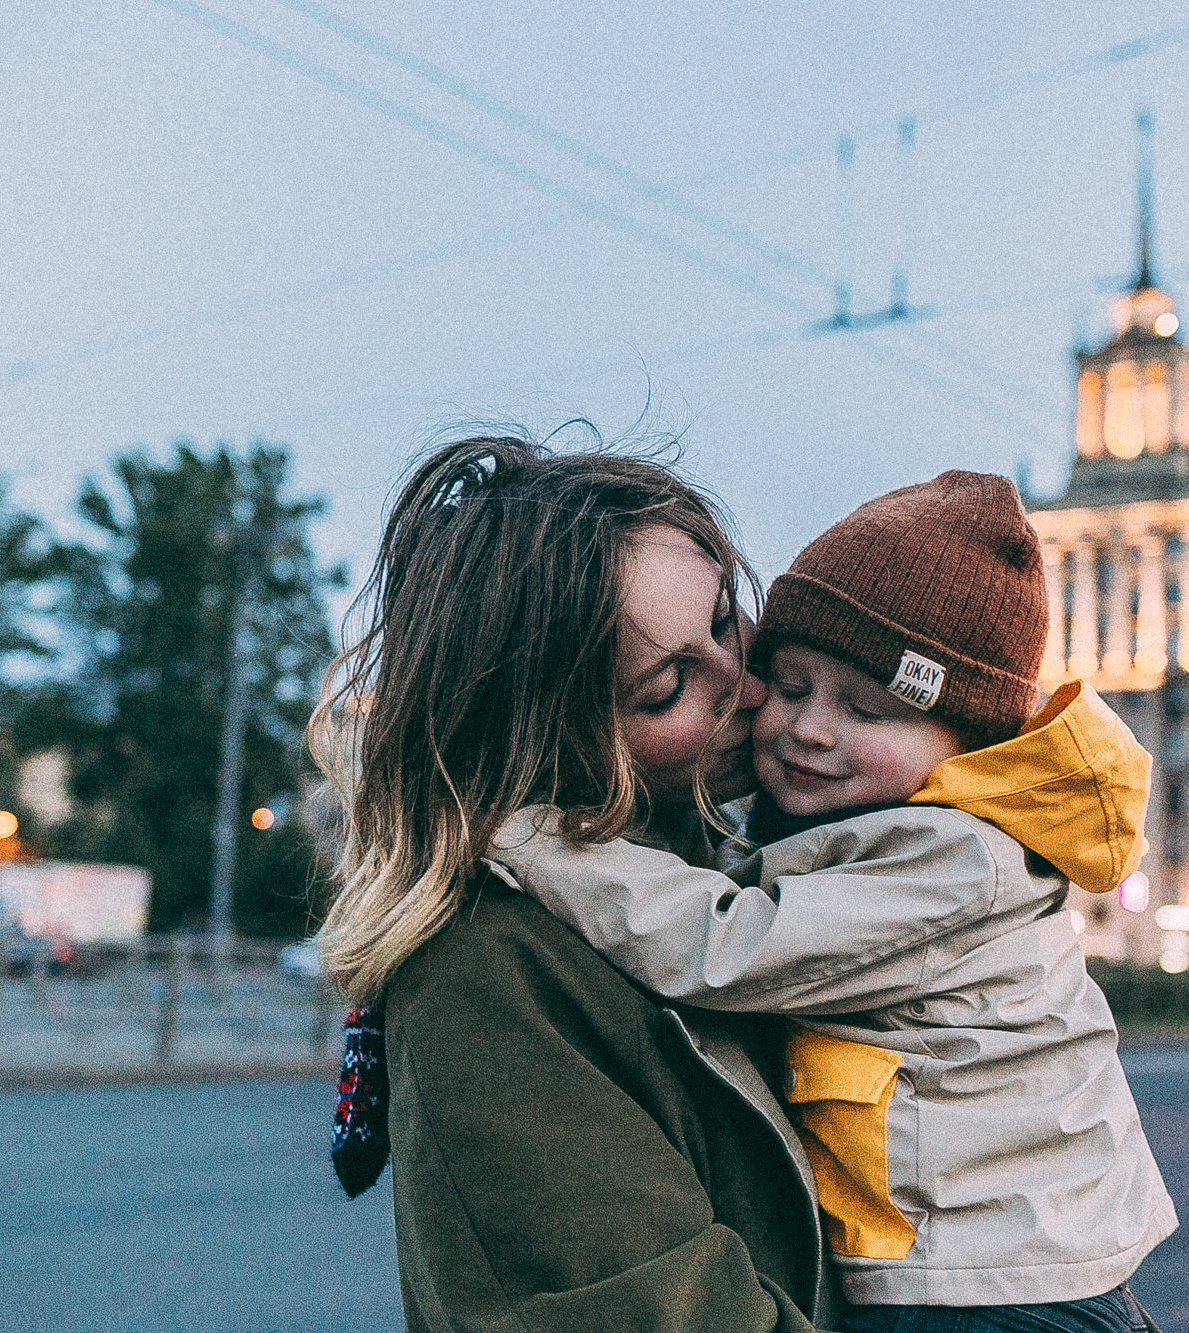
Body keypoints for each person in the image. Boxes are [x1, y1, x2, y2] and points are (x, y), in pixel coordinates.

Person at [490, 472, 1176, 1333]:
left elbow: (720, 943)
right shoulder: (881, 825)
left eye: (866, 709)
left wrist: (531, 838)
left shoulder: (949, 858)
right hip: (976, 1264)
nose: (810, 728)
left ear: (958, 748)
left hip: (990, 1289)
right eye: (792, 682)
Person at [313, 434, 838, 1331]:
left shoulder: (697, 885)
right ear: (550, 739)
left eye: (723, 619)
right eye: (672, 684)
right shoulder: (487, 969)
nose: (750, 685)